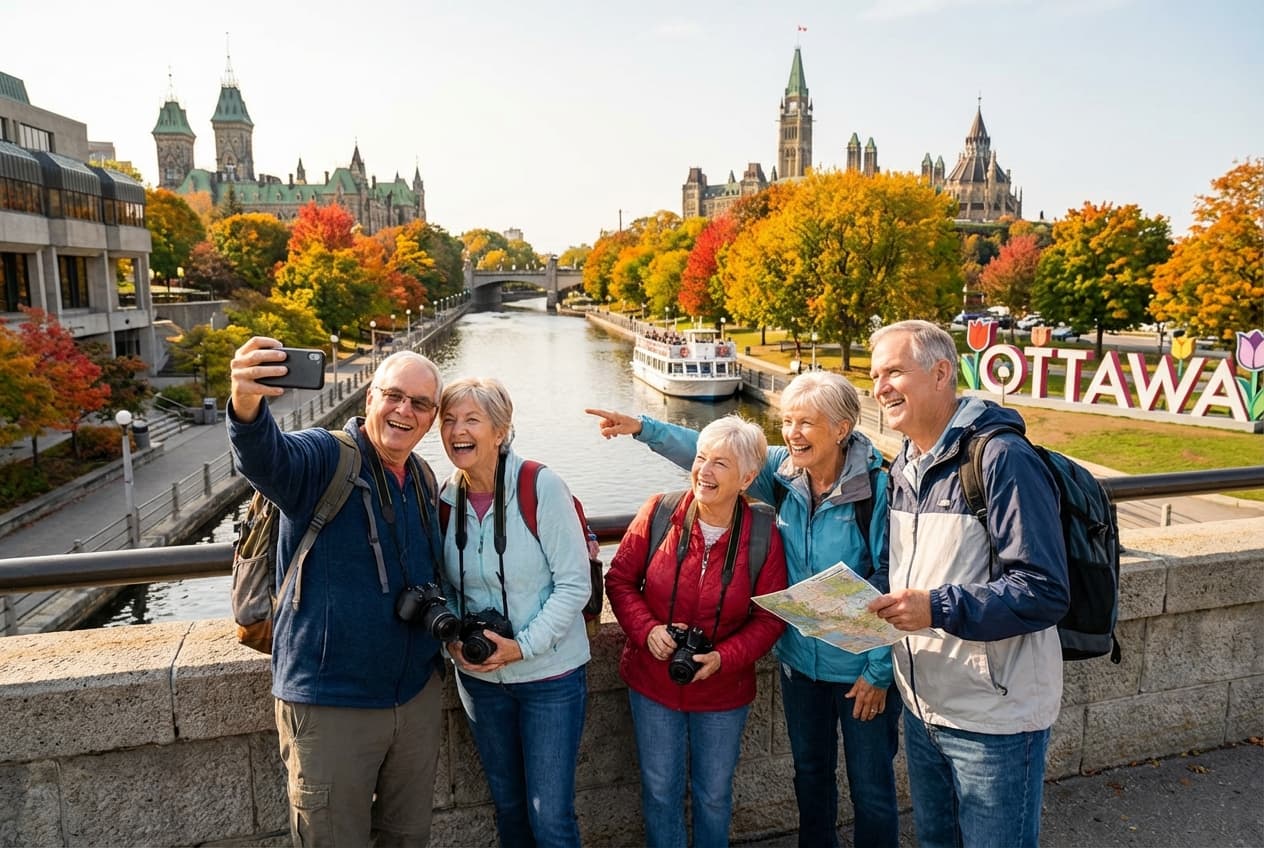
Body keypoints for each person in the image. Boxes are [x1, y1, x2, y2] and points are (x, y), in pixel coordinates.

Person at [588, 369, 901, 848]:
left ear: (841, 429)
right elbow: (717, 454)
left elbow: (892, 581)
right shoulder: (787, 471)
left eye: (807, 423)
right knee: (811, 778)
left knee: (872, 789)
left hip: (861, 667)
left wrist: (879, 670)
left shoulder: (878, 488)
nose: (793, 433)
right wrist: (643, 429)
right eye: (789, 421)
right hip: (803, 665)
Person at [227, 337, 446, 847]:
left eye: (419, 404)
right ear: (369, 397)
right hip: (331, 705)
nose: (403, 411)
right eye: (393, 395)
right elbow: (265, 458)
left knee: (407, 838)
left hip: (414, 698)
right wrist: (246, 403)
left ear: (432, 418)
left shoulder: (421, 477)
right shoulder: (326, 458)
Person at [865, 320, 1070, 848]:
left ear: (940, 373)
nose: (879, 387)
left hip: (993, 717)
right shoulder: (905, 464)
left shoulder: (1001, 459)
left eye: (893, 372)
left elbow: (1044, 588)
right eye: (874, 375)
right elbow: (909, 571)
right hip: (923, 707)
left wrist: (935, 608)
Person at [604, 415, 788, 848]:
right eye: (701, 458)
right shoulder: (660, 511)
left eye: (720, 464)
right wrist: (647, 629)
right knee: (660, 791)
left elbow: (771, 617)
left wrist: (724, 657)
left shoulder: (763, 534)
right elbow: (620, 579)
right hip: (652, 681)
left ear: (747, 478)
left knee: (713, 795)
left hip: (723, 690)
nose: (704, 471)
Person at [437, 376, 591, 848]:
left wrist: (521, 647)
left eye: (471, 420)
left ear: (501, 431)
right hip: (481, 683)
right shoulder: (445, 498)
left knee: (551, 819)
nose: (456, 430)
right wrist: (453, 641)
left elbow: (574, 585)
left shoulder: (539, 486)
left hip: (550, 678)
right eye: (448, 420)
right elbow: (441, 589)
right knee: (508, 810)